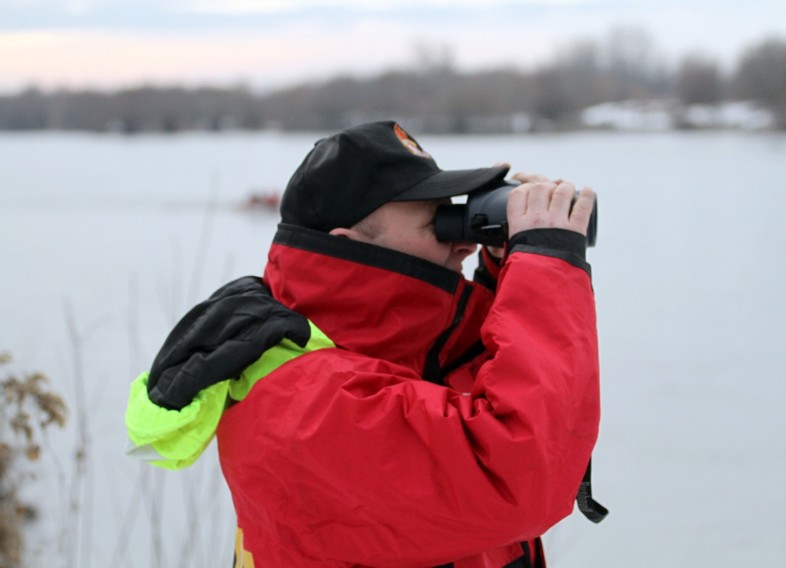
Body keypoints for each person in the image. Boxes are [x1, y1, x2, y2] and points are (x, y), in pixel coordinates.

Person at [125, 120, 603, 567]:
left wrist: (507, 274)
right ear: (350, 242)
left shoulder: (365, 352)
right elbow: (519, 474)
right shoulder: (304, 402)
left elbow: (456, 400)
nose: (465, 243)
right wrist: (547, 268)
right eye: (437, 224)